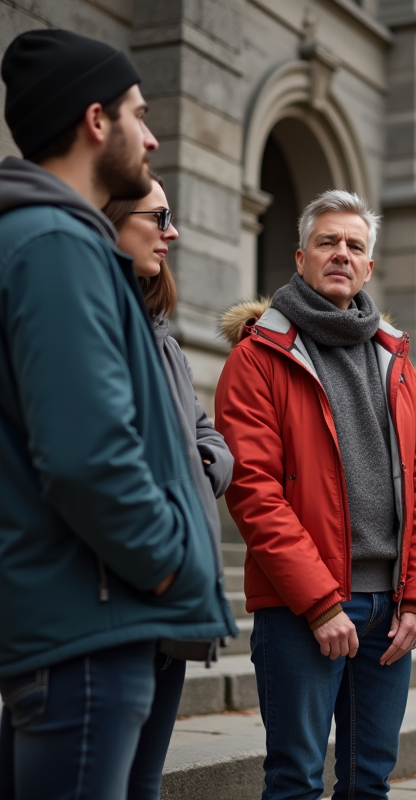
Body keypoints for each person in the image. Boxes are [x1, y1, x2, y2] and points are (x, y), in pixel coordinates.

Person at [0, 29, 236, 800]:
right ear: (95, 121)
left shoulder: (49, 240)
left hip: (84, 621)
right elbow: (87, 457)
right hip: (90, 626)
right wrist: (172, 562)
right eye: (139, 113)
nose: (152, 135)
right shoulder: (55, 244)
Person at [215, 189, 416, 800]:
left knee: (370, 782)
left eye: (354, 245)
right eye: (327, 242)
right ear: (301, 257)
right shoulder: (258, 358)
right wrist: (319, 604)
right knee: (294, 781)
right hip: (300, 610)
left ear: (369, 266)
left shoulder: (397, 362)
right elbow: (254, 491)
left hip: (388, 610)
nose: (341, 253)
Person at [102, 174, 235, 800]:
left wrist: (200, 466)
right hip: (119, 597)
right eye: (159, 217)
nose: (173, 232)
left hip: (167, 595)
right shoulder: (92, 327)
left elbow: (209, 439)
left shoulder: (165, 344)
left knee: (143, 783)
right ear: (109, 218)